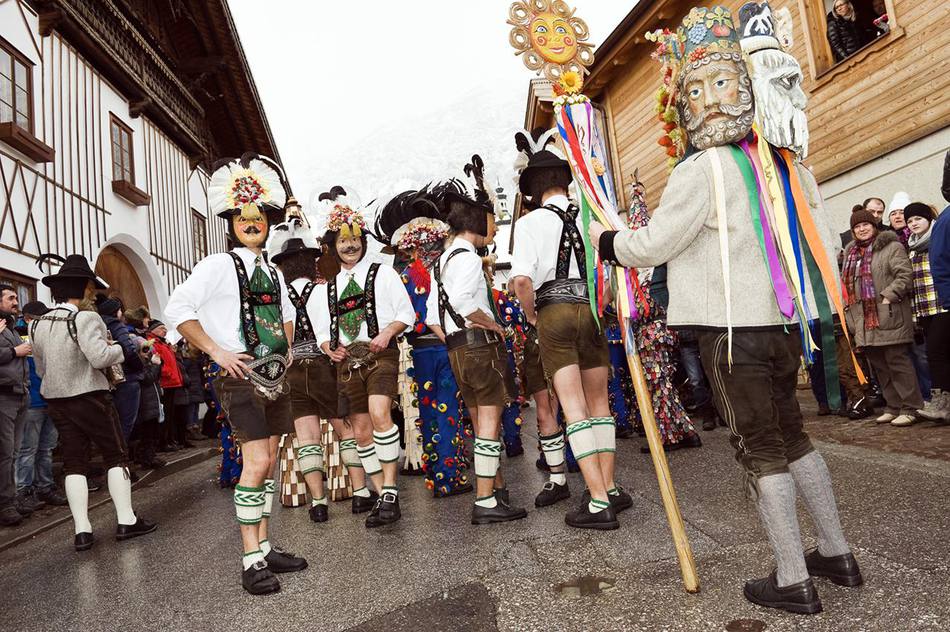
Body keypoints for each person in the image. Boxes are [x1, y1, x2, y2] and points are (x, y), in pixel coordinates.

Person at [592, 5, 860, 613]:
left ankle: (793, 577)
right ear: (682, 102)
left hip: (730, 331)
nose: (709, 100)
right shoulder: (788, 162)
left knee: (759, 444)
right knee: (792, 431)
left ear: (746, 83)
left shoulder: (701, 168)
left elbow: (656, 243)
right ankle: (836, 551)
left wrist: (611, 243)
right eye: (695, 88)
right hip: (784, 325)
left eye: (721, 83)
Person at [165, 154, 306, 595]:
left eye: (259, 215)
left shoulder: (271, 270)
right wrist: (217, 351)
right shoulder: (217, 265)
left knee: (269, 462)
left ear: (268, 219)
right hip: (238, 372)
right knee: (257, 462)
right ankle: (249, 559)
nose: (252, 221)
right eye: (244, 216)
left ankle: (264, 547)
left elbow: (286, 316)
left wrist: (281, 353)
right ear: (231, 221)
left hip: (272, 374)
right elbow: (176, 310)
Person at [510, 137, 630, 530]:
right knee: (600, 403)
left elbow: (523, 281)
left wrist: (531, 315)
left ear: (535, 189)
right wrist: (602, 302)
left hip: (555, 313)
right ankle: (609, 487)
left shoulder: (528, 223)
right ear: (564, 181)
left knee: (573, 406)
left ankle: (597, 502)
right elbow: (612, 274)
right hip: (591, 311)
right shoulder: (590, 218)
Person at [425, 164, 528, 525]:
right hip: (479, 346)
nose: (495, 227)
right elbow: (466, 304)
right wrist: (494, 329)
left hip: (456, 348)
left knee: (479, 419)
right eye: (492, 221)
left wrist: (457, 340)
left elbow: (433, 317)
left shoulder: (441, 262)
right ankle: (485, 501)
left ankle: (496, 489)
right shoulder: (468, 257)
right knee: (488, 423)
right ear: (476, 223)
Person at [30, 254, 156, 551]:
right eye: (90, 288)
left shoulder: (38, 324)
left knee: (74, 461)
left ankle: (82, 530)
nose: (92, 293)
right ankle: (126, 520)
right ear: (84, 288)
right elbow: (99, 357)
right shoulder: (86, 317)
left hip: (56, 399)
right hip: (90, 395)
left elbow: (40, 369)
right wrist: (119, 351)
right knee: (115, 455)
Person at [313, 186, 414, 528]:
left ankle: (390, 492)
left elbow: (406, 314)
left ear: (363, 240)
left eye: (354, 238)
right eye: (342, 240)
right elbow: (321, 333)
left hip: (379, 354)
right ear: (333, 245)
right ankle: (381, 492)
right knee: (359, 432)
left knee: (379, 412)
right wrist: (329, 346)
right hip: (347, 363)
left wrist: (387, 332)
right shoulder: (327, 288)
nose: (350, 245)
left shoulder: (383, 273)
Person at [269, 217, 377, 521]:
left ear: (285, 267)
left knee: (307, 438)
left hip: (291, 370)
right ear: (309, 263)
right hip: (323, 366)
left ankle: (318, 503)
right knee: (345, 430)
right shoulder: (324, 290)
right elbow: (338, 329)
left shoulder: (277, 296)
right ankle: (359, 493)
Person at [376, 187, 473, 499]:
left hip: (417, 349)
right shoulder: (444, 268)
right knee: (448, 410)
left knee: (429, 411)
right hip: (443, 344)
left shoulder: (400, 274)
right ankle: (449, 477)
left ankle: (436, 473)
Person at [842, 209, 922, 426]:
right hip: (864, 322)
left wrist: (889, 295)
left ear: (874, 225)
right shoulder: (850, 254)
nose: (862, 229)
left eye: (866, 224)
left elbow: (904, 275)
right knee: (880, 367)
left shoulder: (891, 246)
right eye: (857, 227)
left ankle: (911, 407)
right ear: (853, 231)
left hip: (889, 315)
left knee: (897, 363)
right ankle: (893, 406)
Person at [14, 302, 68, 512]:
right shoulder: (20, 337)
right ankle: (24, 491)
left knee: (46, 449)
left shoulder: (45, 337)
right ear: (29, 319)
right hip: (32, 402)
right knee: (28, 450)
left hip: (50, 399)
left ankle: (45, 487)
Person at [904, 203, 950, 421]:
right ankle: (941, 403)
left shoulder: (937, 239)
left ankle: (942, 404)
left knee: (937, 354)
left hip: (942, 305)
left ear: (929, 219)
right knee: (935, 356)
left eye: (918, 219)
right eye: (910, 221)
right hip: (924, 310)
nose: (914, 223)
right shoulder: (912, 249)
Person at [0, 284, 32, 526]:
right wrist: (15, 351)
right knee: (5, 454)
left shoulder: (10, 326)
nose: (15, 301)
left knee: (15, 452)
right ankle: (6, 504)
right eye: (10, 298)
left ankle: (12, 497)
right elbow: (14, 353)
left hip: (20, 394)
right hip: (4, 396)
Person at [96, 296, 145, 443]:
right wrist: (140, 366)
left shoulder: (98, 325)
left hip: (105, 379)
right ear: (115, 312)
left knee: (111, 421)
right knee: (126, 421)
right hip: (126, 376)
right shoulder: (117, 325)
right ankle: (120, 458)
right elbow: (128, 350)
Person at [147, 321, 184, 452]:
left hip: (172, 382)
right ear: (154, 330)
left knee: (170, 414)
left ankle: (169, 440)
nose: (165, 330)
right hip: (165, 382)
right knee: (165, 414)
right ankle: (163, 441)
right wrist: (167, 373)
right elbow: (158, 362)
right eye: (162, 328)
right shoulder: (152, 343)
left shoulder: (163, 342)